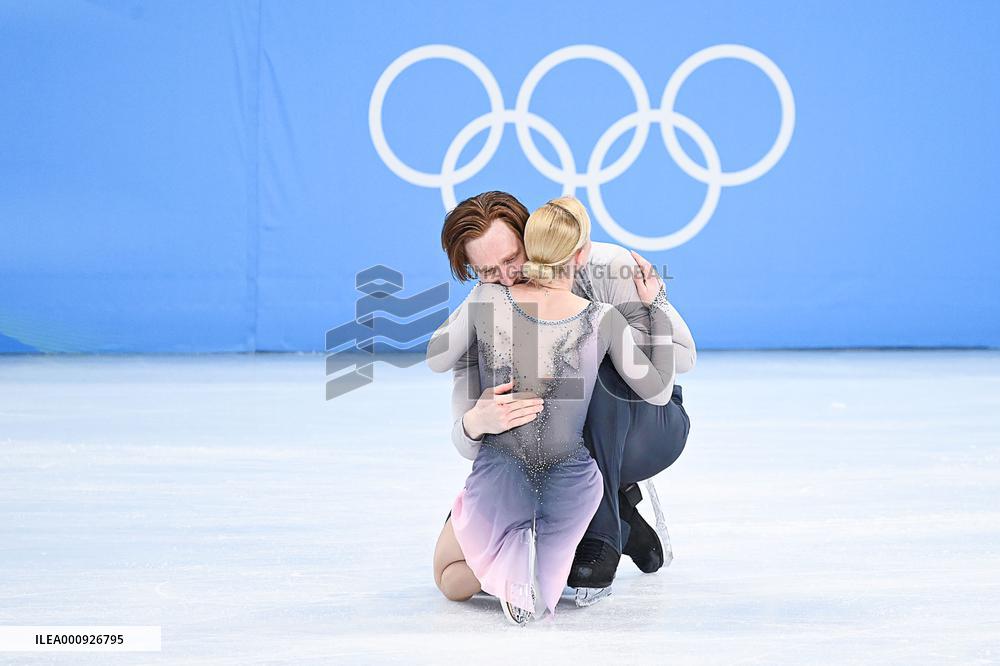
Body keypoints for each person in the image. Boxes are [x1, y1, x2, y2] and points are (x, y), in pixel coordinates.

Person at [432, 192, 695, 608]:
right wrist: (476, 421)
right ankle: (614, 522)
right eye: (487, 271)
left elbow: (680, 361)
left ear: (530, 234)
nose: (506, 276)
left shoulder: (605, 267)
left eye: (512, 258)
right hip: (537, 458)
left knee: (595, 365)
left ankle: (604, 532)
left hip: (645, 421)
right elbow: (468, 442)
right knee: (448, 573)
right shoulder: (491, 303)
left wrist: (649, 306)